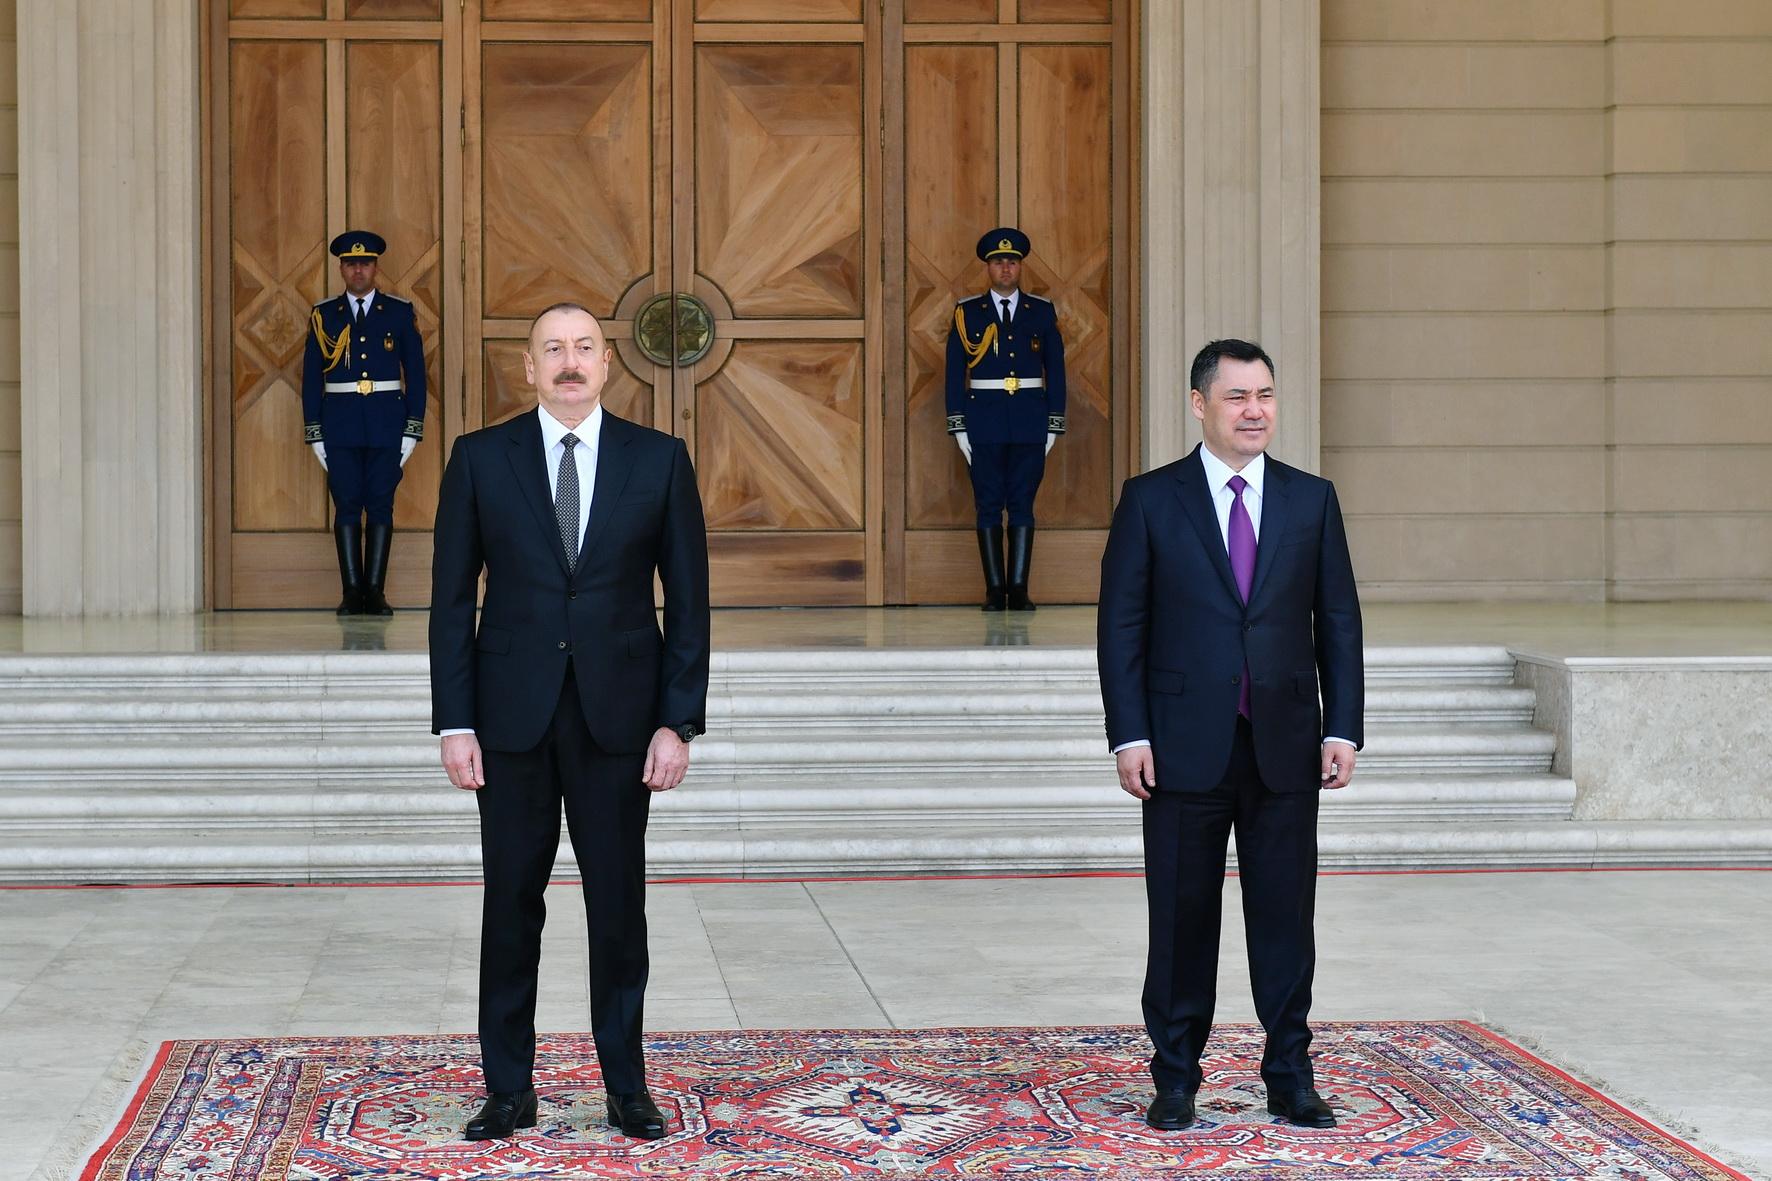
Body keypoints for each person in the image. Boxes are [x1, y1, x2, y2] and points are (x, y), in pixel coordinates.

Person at [429, 303, 710, 1142]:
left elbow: (689, 602)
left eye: (584, 347)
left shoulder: (659, 460)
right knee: (510, 906)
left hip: (619, 722)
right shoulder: (479, 459)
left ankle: (626, 1086)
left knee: (618, 909)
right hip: (509, 722)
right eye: (552, 349)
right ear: (529, 367)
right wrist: (454, 721)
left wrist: (677, 722)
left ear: (608, 362)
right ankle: (507, 1088)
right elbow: (451, 602)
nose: (569, 361)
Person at [1096, 338, 1363, 1132]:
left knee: (1285, 918)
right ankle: (1176, 1077)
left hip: (1286, 743)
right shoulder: (1151, 500)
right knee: (1182, 921)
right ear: (1199, 404)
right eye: (1238, 396)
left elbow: (1338, 620)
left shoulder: (1312, 500)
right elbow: (1121, 626)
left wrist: (1343, 725)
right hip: (1182, 748)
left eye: (1265, 395)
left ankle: (1291, 1075)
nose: (1255, 410)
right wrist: (1129, 734)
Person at [301, 230, 428, 615]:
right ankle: (351, 593)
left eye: (366, 263)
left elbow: (416, 373)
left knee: (381, 506)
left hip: (387, 423)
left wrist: (413, 426)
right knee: (346, 507)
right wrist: (314, 431)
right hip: (339, 425)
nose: (358, 270)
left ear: (376, 268)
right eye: (351, 264)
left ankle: (375, 592)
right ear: (341, 268)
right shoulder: (324, 314)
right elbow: (311, 377)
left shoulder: (399, 312)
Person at [945, 227, 1066, 611]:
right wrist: (958, 423)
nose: (1006, 268)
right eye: (998, 262)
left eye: (1012, 262)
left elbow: (1056, 370)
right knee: (987, 505)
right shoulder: (968, 313)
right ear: (988, 267)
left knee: (1022, 504)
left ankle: (1019, 588)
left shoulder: (1040, 312)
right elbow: (954, 372)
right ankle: (995, 591)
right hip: (984, 421)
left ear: (1020, 266)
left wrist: (1054, 421)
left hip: (1030, 420)